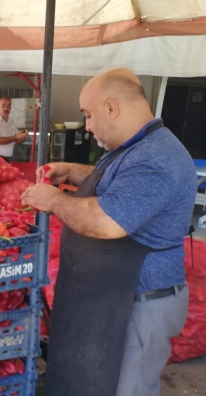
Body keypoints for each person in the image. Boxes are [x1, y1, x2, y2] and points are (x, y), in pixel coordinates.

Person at [22, 68, 195, 396]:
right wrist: (73, 171)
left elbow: (108, 221)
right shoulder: (135, 149)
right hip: (116, 299)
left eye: (88, 115)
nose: (86, 126)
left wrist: (55, 199)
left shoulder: (157, 157)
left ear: (111, 108)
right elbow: (122, 182)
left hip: (139, 305)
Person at [0, 97, 28, 162]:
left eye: (8, 106)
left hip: (6, 158)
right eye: (3, 106)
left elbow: (18, 141)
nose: (6, 108)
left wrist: (23, 137)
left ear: (11, 108)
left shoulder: (12, 123)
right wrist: (15, 137)